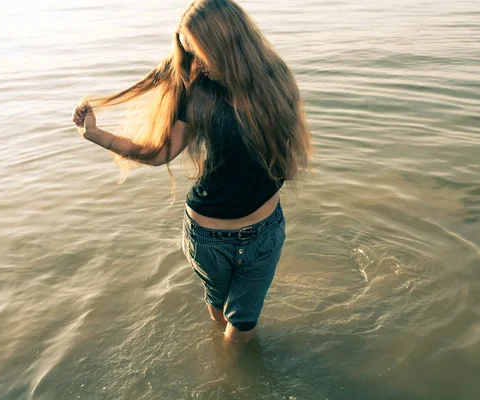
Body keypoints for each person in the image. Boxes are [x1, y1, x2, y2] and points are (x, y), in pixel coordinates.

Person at [72, 0, 311, 342]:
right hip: (207, 238)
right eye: (188, 53)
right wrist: (96, 135)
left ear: (224, 43)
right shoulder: (197, 92)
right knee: (216, 306)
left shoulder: (276, 79)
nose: (195, 63)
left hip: (264, 235)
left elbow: (284, 151)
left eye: (199, 53)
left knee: (242, 325)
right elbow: (160, 153)